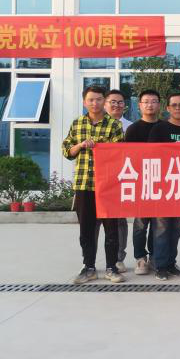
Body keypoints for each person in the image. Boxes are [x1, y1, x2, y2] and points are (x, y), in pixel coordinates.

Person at [62, 85, 125, 284]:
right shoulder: (77, 124)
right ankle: (88, 267)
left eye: (98, 99)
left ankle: (111, 267)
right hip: (84, 184)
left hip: (108, 185)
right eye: (91, 99)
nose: (95, 103)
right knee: (86, 229)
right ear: (84, 102)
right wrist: (81, 145)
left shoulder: (114, 125)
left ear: (104, 102)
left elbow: (119, 152)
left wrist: (99, 146)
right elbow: (67, 150)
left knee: (111, 229)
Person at [145, 91, 180, 281]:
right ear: (168, 108)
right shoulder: (159, 129)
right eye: (174, 105)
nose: (178, 108)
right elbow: (150, 155)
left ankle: (171, 263)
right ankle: (160, 265)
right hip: (162, 185)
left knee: (176, 228)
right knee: (162, 227)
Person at [122, 89, 163, 276]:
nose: (150, 105)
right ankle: (140, 258)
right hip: (140, 183)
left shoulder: (164, 127)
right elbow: (127, 157)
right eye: (146, 102)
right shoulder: (133, 129)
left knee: (158, 224)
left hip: (161, 182)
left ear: (159, 105)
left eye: (154, 101)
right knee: (140, 224)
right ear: (139, 106)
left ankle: (154, 256)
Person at [107, 88, 133, 270]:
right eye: (112, 102)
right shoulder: (95, 126)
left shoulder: (130, 127)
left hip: (121, 179)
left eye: (120, 102)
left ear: (125, 105)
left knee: (119, 221)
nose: (116, 105)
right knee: (95, 223)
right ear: (105, 104)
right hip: (100, 179)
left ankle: (118, 257)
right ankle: (90, 261)